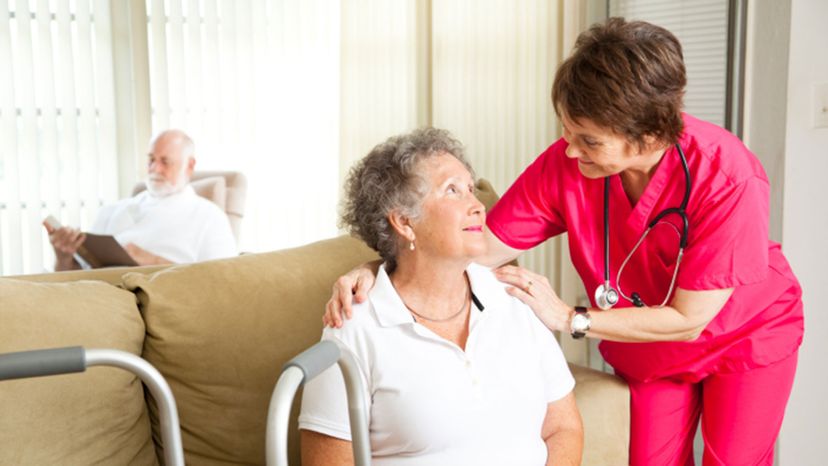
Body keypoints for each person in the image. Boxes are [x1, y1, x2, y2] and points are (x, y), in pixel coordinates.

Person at [324, 18, 804, 466]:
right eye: (568, 131)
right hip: (651, 349)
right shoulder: (567, 165)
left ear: (650, 133)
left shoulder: (727, 175)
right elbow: (472, 245)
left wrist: (568, 318)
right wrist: (377, 268)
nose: (571, 150)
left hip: (743, 337)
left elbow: (689, 319)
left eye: (590, 140)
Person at [299, 128, 583, 465]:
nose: (477, 205)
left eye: (470, 189)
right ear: (404, 222)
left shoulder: (514, 300)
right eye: (453, 191)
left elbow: (563, 428)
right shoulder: (354, 326)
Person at [44, 129, 237, 271]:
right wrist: (64, 257)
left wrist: (152, 261)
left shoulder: (209, 217)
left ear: (190, 165)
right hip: (97, 298)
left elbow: (220, 282)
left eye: (165, 162)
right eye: (151, 159)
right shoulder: (111, 211)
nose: (155, 168)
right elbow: (77, 282)